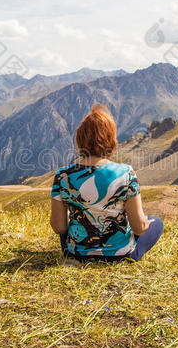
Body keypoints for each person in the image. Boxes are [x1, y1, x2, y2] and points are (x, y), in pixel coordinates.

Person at [49, 104, 163, 262]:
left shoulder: (63, 176)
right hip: (120, 257)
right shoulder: (126, 174)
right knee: (156, 222)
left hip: (76, 255)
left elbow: (59, 227)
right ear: (111, 140)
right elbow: (139, 228)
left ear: (80, 139)